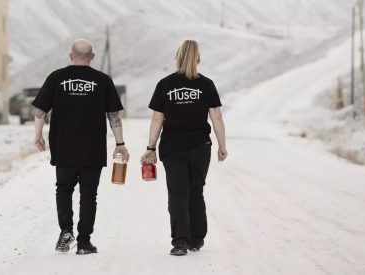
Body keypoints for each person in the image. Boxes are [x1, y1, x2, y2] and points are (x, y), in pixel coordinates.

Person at [32, 39, 129, 255]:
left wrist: (38, 135)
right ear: (93, 57)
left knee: (64, 189)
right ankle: (84, 242)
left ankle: (66, 230)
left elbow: (41, 110)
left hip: (63, 146)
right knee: (88, 194)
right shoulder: (102, 80)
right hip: (93, 149)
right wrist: (120, 143)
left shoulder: (57, 77)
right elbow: (114, 116)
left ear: (70, 56)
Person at [141, 39, 228, 256]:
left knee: (178, 193)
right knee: (196, 191)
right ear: (198, 59)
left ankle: (180, 241)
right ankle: (196, 239)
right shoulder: (206, 84)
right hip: (200, 146)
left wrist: (151, 147)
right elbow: (216, 116)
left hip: (172, 147)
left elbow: (156, 120)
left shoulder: (165, 84)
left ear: (177, 58)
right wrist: (222, 145)